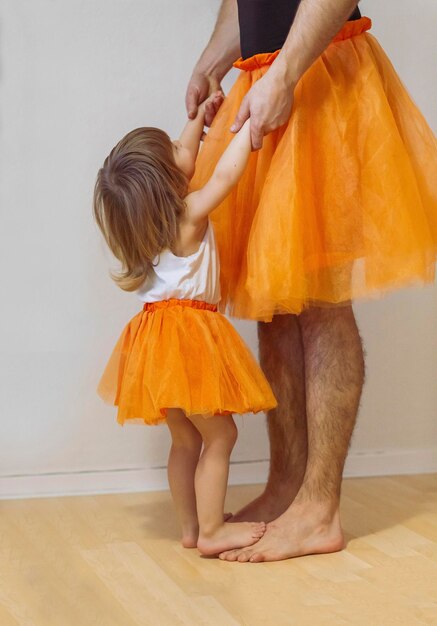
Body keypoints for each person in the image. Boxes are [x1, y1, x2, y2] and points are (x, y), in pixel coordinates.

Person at [187, 0, 437, 562]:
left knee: (322, 299)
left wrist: (287, 72)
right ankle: (287, 485)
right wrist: (211, 62)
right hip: (268, 76)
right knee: (275, 305)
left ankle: (319, 509)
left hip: (320, 73)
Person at [93, 95, 277, 556]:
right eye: (176, 145)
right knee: (222, 435)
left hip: (153, 342)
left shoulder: (146, 232)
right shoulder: (190, 215)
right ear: (168, 181)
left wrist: (197, 119)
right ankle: (213, 532)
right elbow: (226, 176)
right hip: (188, 337)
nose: (185, 143)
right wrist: (246, 128)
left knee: (184, 439)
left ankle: (192, 528)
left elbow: (183, 159)